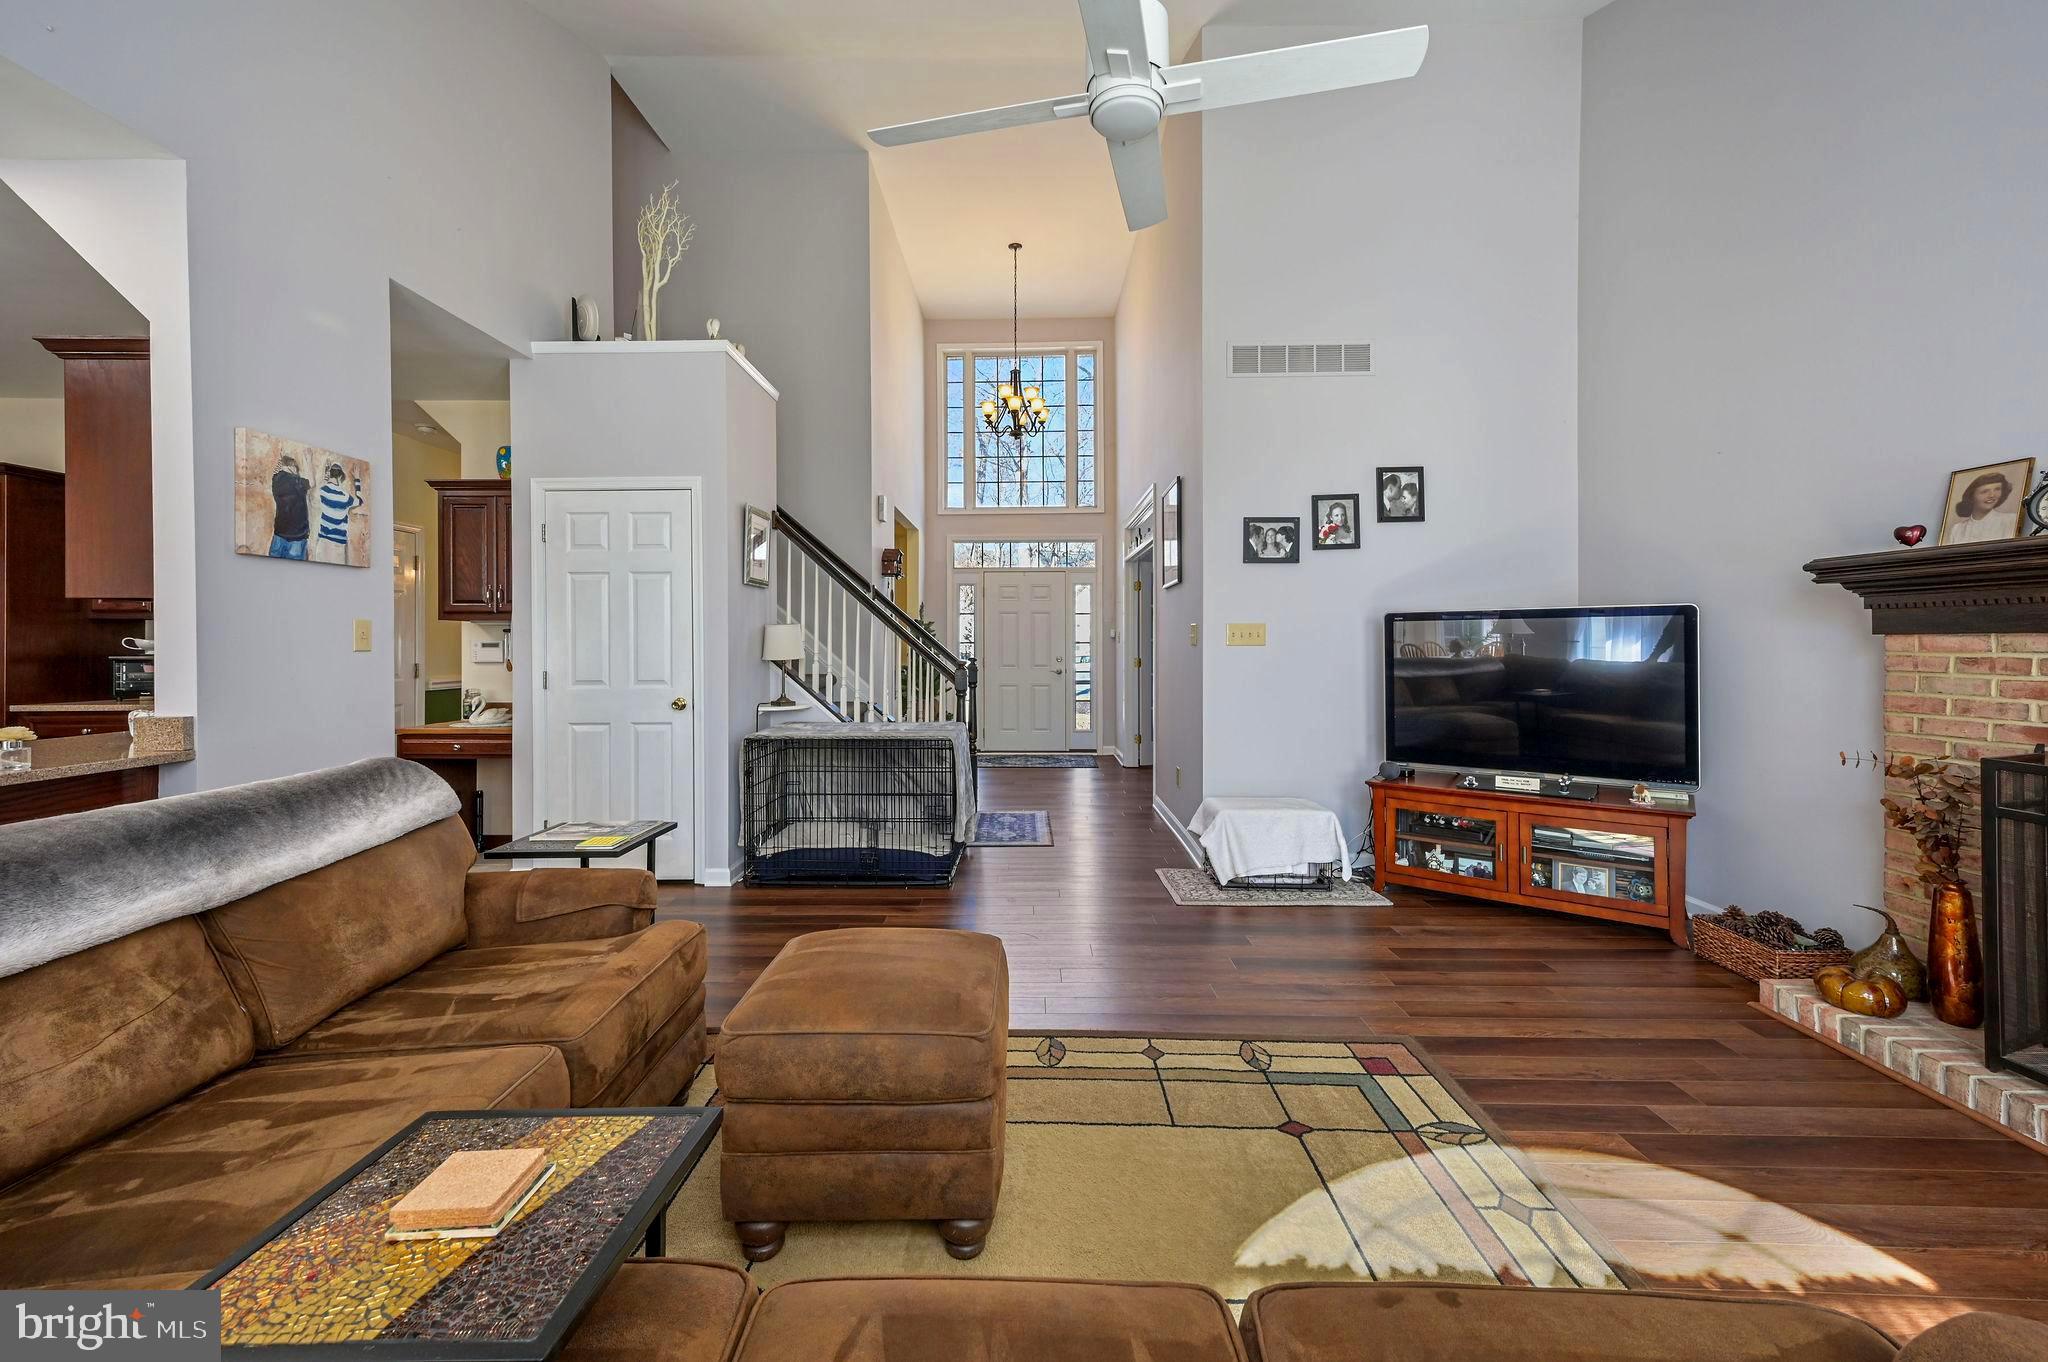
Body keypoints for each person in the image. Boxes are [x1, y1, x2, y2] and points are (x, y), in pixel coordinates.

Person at [1942, 470, 2021, 544]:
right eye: (1985, 491)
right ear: (1971, 497)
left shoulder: (2011, 520)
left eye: (1997, 489)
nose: (1992, 495)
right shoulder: (1957, 529)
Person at [311, 461, 364, 565]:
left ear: (329, 474)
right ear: (340, 477)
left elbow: (317, 491)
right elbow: (360, 500)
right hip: (338, 543)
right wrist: (357, 479)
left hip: (323, 542)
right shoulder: (345, 497)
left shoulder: (322, 491)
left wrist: (325, 475)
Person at [267, 453, 310, 560]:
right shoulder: (298, 482)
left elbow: (276, 472)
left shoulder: (275, 480)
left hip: (279, 534)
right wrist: (308, 459)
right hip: (297, 537)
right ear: (292, 467)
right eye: (296, 468)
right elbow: (312, 483)